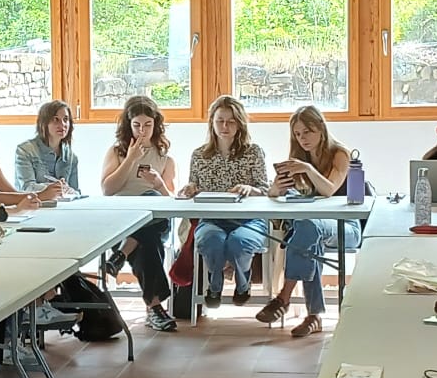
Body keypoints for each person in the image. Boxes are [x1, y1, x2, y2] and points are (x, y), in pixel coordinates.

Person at [259, 105, 359, 337]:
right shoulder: (299, 157)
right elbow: (275, 196)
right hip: (313, 228)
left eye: (307, 132)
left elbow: (329, 189)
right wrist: (276, 188)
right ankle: (314, 317)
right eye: (298, 134)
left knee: (306, 230)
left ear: (321, 130)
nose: (302, 138)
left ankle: (284, 297)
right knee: (307, 235)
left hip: (345, 226)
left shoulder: (339, 154)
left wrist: (308, 169)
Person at [178, 94, 270, 307]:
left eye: (230, 121)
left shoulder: (253, 152)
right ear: (212, 123)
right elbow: (194, 186)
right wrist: (191, 188)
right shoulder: (200, 154)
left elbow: (265, 189)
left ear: (239, 124)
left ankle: (243, 283)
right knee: (211, 240)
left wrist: (251, 189)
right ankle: (215, 285)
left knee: (238, 242)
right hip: (212, 219)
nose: (225, 126)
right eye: (220, 121)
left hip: (249, 219)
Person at [99, 95, 178, 332]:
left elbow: (171, 201)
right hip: (123, 218)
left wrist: (157, 184)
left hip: (155, 217)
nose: (142, 131)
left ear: (156, 125)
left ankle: (121, 255)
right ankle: (155, 309)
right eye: (136, 125)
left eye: (147, 125)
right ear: (128, 125)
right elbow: (107, 189)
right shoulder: (117, 152)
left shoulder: (165, 156)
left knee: (152, 204)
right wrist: (131, 159)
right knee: (148, 245)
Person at [14, 98, 81, 197]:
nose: (62, 124)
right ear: (44, 123)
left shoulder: (71, 157)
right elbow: (26, 187)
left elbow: (76, 192)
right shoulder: (25, 150)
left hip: (63, 208)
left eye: (66, 119)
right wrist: (56, 187)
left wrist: (71, 191)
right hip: (32, 207)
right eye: (55, 119)